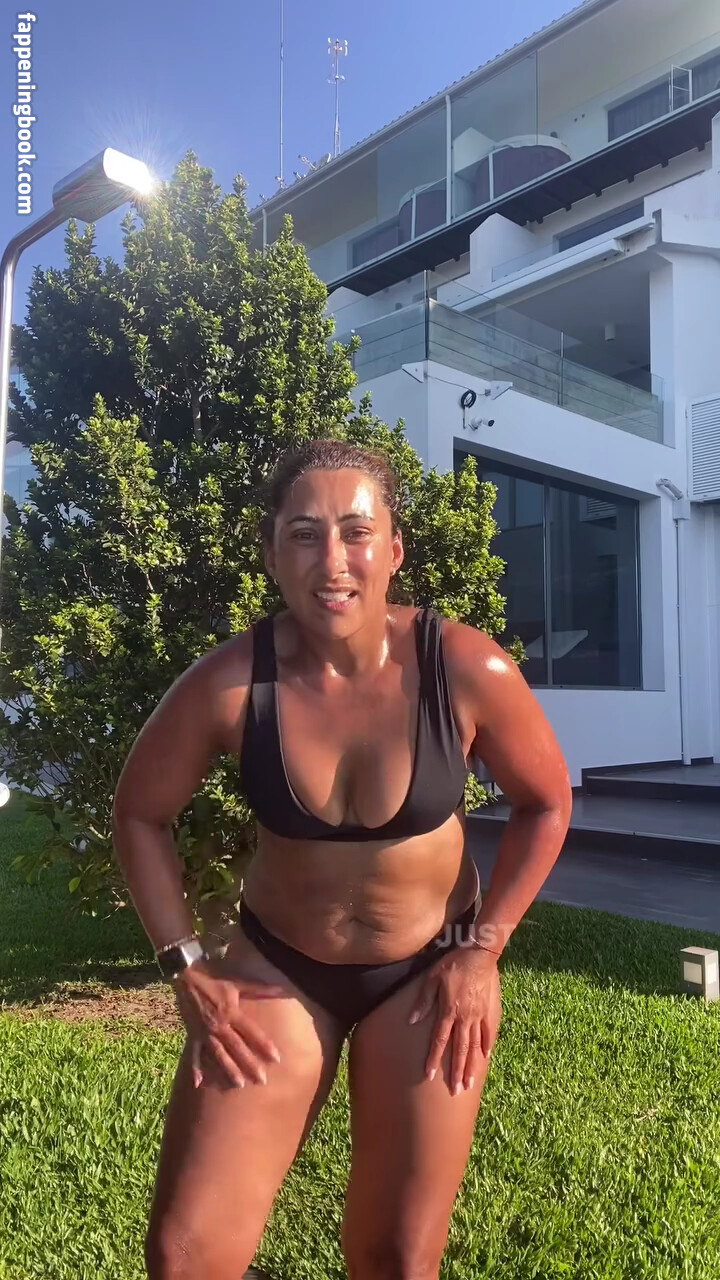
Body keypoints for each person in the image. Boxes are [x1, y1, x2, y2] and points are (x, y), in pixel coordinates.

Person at [112, 438, 572, 1280]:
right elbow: (139, 814)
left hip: (428, 972)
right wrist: (185, 965)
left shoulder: (464, 667)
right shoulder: (229, 683)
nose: (333, 561)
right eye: (304, 534)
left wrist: (482, 951)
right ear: (271, 553)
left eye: (356, 533)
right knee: (184, 1257)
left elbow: (547, 804)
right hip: (278, 970)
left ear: (393, 549)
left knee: (395, 1259)